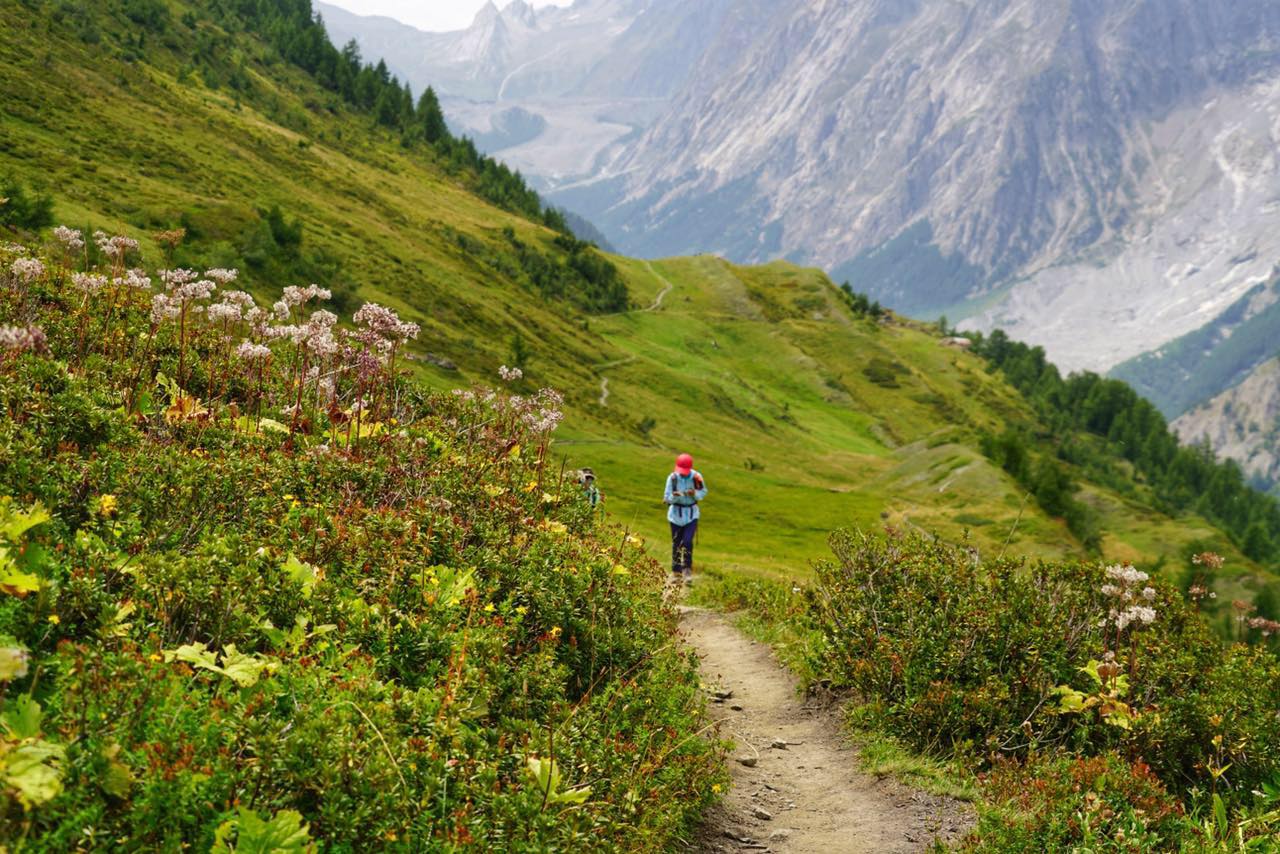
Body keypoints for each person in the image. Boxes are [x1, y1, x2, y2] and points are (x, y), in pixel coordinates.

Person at [664, 453, 707, 586]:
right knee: (676, 543)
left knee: (687, 541)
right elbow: (666, 498)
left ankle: (687, 570)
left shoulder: (696, 477)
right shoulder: (672, 478)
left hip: (691, 514)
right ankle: (676, 572)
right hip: (675, 514)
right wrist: (675, 497)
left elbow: (703, 492)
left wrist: (695, 494)